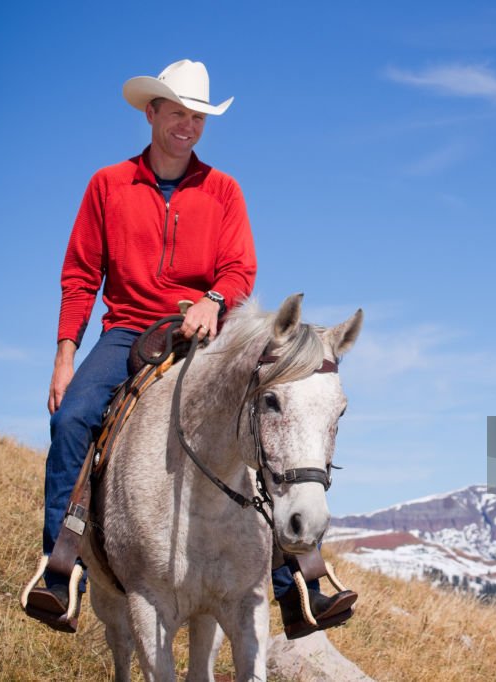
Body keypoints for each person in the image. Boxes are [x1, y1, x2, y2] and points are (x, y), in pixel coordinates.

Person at [25, 59, 356, 638]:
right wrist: (64, 354)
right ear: (151, 112)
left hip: (209, 328)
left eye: (197, 116)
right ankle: (62, 570)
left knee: (267, 408)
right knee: (75, 417)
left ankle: (298, 583)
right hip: (128, 328)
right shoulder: (108, 184)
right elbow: (81, 274)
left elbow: (239, 267)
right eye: (177, 112)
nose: (188, 125)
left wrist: (214, 299)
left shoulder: (223, 189)